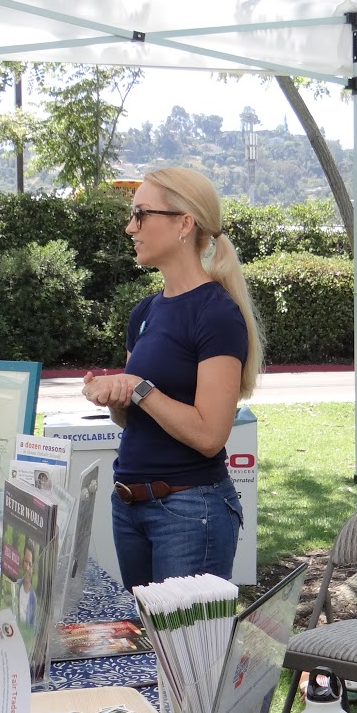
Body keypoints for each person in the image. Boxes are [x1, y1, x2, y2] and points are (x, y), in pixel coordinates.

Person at [81, 167, 263, 588]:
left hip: (190, 513)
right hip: (129, 505)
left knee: (185, 636)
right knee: (146, 632)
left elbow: (210, 435)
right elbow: (133, 418)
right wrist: (116, 398)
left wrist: (139, 388)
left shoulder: (216, 314)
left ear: (184, 223)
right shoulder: (144, 312)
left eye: (141, 214)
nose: (130, 228)